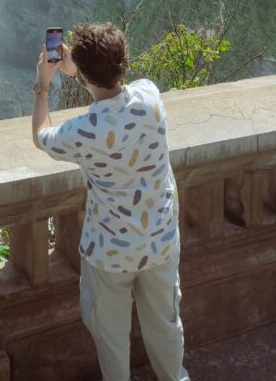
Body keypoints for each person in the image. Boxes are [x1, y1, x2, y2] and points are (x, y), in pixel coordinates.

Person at [31, 22, 189, 381]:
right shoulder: (150, 97)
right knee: (165, 323)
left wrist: (43, 86)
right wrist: (82, 72)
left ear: (85, 72)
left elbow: (41, 135)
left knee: (111, 335)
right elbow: (115, 94)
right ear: (124, 63)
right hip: (160, 240)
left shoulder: (83, 132)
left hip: (109, 252)